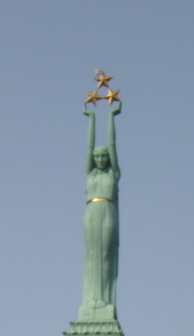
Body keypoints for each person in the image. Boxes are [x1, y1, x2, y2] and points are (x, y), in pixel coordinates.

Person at [82, 100, 122, 314]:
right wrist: (91, 118)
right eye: (96, 156)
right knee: (91, 256)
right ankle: (91, 299)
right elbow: (88, 146)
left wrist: (110, 117)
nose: (98, 158)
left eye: (102, 156)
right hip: (91, 212)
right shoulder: (90, 173)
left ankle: (105, 299)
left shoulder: (113, 174)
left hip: (108, 212)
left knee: (105, 254)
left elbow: (113, 144)